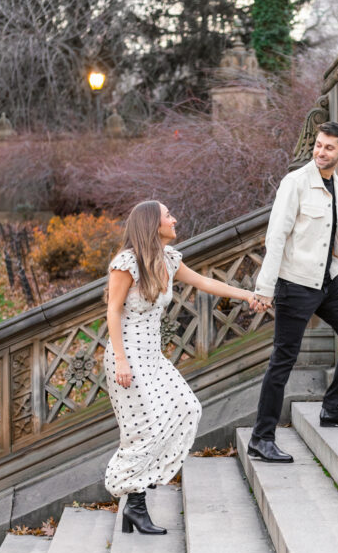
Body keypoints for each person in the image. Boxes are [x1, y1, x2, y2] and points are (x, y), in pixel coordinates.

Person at [103, 200, 265, 534]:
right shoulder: (126, 263)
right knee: (143, 429)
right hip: (127, 357)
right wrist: (120, 359)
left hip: (152, 356)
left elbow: (206, 283)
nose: (174, 219)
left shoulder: (168, 259)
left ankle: (137, 501)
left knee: (185, 407)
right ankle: (135, 505)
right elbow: (113, 311)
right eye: (167, 216)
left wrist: (247, 295)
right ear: (152, 224)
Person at [249, 121, 338, 464]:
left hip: (328, 281)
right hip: (295, 283)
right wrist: (265, 288)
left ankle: (334, 408)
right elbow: (276, 236)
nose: (321, 152)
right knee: (283, 361)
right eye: (318, 145)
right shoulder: (296, 183)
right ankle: (262, 438)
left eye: (329, 148)